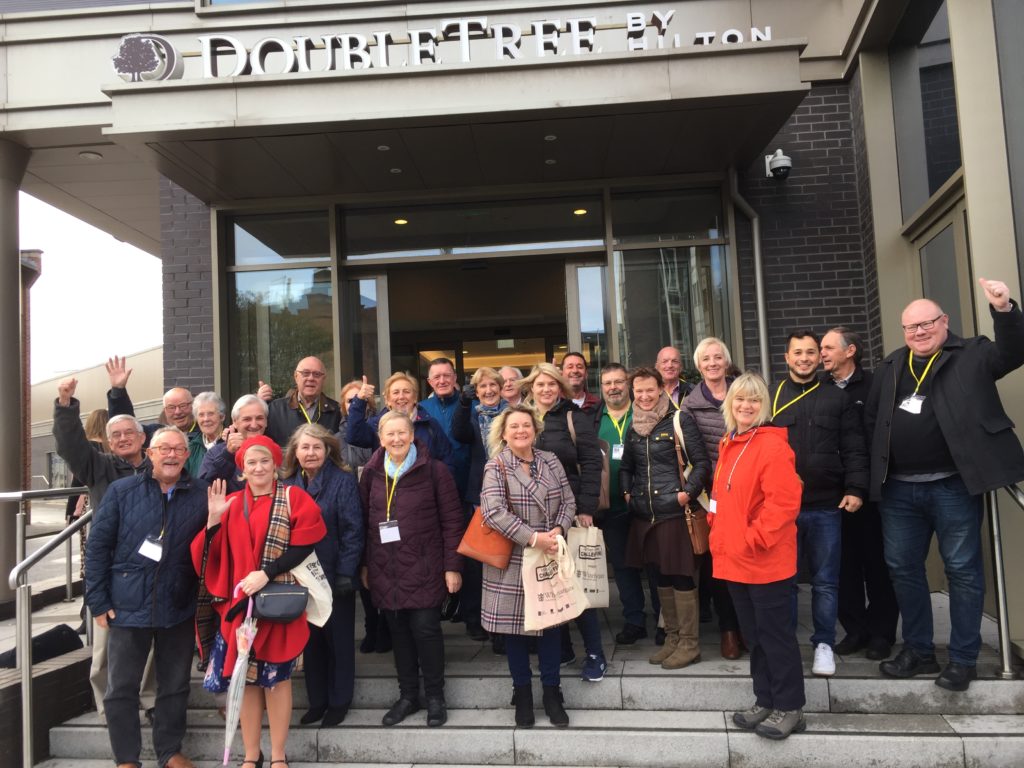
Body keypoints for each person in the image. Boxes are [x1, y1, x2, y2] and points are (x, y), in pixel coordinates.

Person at [865, 278, 1024, 692]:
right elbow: (873, 423)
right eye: (911, 327)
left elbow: (1014, 351)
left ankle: (963, 659)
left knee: (962, 571)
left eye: (927, 323)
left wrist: (1004, 309)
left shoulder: (973, 352)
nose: (919, 332)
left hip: (954, 485)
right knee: (903, 569)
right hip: (899, 490)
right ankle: (918, 651)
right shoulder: (893, 364)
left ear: (944, 322)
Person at [194, 435, 326, 768]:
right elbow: (206, 554)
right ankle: (252, 755)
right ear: (242, 469)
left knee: (278, 682)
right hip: (241, 607)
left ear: (276, 464)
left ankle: (279, 756)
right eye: (251, 462)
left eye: (264, 460)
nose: (258, 467)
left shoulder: (294, 497)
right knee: (247, 681)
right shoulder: (231, 503)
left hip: (278, 602)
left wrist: (266, 574)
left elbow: (305, 544)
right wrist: (212, 520)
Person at [85, 426, 209, 768]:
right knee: (121, 688)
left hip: (178, 604)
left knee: (174, 685)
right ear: (150, 453)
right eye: (163, 449)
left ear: (187, 456)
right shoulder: (121, 491)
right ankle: (126, 758)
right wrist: (98, 600)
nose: (171, 455)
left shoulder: (201, 495)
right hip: (126, 605)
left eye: (178, 449)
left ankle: (169, 752)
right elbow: (97, 548)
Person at [53, 378, 157, 719]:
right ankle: (106, 706)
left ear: (143, 438)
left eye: (130, 432)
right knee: (104, 644)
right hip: (111, 570)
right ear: (108, 442)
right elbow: (71, 447)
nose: (123, 438)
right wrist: (66, 407)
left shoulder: (159, 468)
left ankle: (151, 701)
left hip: (150, 569)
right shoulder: (99, 467)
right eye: (115, 435)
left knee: (150, 643)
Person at [710, 372, 806, 740]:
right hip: (735, 559)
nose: (746, 406)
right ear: (730, 404)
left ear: (763, 404)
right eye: (739, 400)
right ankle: (766, 699)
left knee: (775, 636)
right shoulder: (729, 443)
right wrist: (718, 527)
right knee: (754, 636)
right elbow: (723, 498)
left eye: (753, 400)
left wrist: (752, 539)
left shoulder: (771, 445)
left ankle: (790, 706)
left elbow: (783, 505)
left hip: (765, 560)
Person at [772, 329, 868, 677]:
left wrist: (856, 488)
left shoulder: (837, 398)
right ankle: (784, 646)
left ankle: (824, 644)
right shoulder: (773, 395)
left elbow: (855, 446)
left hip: (827, 504)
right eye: (797, 352)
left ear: (820, 357)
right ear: (786, 357)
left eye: (811, 352)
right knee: (784, 580)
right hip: (782, 508)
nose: (804, 358)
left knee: (826, 581)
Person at [359, 411, 464, 728]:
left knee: (426, 631)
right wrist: (364, 563)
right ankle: (408, 696)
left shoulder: (434, 471)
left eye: (402, 432)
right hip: (384, 567)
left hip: (424, 565)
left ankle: (435, 696)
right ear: (380, 438)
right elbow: (363, 521)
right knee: (399, 633)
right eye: (389, 434)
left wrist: (452, 567)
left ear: (412, 433)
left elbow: (452, 521)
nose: (396, 439)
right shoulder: (371, 473)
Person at [480, 404, 576, 728]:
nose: (521, 431)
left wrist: (559, 530)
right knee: (515, 632)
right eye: (514, 427)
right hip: (514, 558)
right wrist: (534, 538)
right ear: (503, 434)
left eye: (526, 425)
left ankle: (552, 691)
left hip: (549, 554)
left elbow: (568, 501)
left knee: (551, 625)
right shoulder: (496, 466)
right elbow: (493, 512)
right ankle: (522, 692)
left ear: (535, 429)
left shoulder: (550, 460)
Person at [620, 367, 711, 669]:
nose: (644, 396)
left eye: (650, 390)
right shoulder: (633, 427)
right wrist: (627, 493)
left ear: (661, 389)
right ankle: (672, 639)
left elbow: (702, 464)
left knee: (681, 577)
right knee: (659, 577)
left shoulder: (679, 420)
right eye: (639, 391)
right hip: (646, 516)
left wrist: (686, 494)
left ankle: (689, 644)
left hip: (675, 513)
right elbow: (627, 468)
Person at [522, 362, 607, 680]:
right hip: (534, 519)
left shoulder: (574, 417)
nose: (546, 390)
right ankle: (565, 650)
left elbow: (590, 462)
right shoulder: (523, 419)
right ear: (531, 387)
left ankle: (595, 654)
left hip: (570, 512)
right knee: (548, 584)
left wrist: (586, 508)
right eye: (540, 384)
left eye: (551, 384)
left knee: (576, 584)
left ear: (560, 387)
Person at [820, 327, 898, 661]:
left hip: (872, 491)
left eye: (827, 347)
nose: (820, 353)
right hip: (832, 493)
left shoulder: (875, 385)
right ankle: (855, 630)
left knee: (877, 564)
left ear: (850, 350)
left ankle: (881, 633)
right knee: (844, 565)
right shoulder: (819, 389)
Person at [281, 424, 363, 727]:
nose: (310, 452)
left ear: (328, 450)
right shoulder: (286, 482)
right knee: (310, 642)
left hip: (332, 576)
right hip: (297, 577)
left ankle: (339, 702)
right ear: (295, 452)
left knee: (338, 642)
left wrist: (345, 572)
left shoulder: (342, 481)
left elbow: (354, 531)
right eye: (305, 447)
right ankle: (317, 701)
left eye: (317, 447)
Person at [682, 337, 743, 659]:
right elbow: (695, 458)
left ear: (727, 361)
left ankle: (749, 626)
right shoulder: (690, 405)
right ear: (698, 365)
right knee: (719, 565)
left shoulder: (745, 393)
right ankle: (729, 629)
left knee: (750, 558)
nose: (713, 363)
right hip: (714, 496)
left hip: (749, 492)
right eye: (706, 359)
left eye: (718, 357)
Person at [592, 363, 659, 644]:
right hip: (613, 506)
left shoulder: (646, 413)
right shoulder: (594, 419)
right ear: (601, 386)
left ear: (628, 385)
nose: (613, 387)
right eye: (607, 383)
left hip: (648, 504)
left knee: (656, 564)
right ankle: (634, 620)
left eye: (618, 381)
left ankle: (665, 620)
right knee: (622, 565)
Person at [451, 366, 509, 642]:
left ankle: (504, 622)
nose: (488, 391)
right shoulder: (472, 415)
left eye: (492, 385)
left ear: (500, 387)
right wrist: (463, 403)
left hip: (511, 495)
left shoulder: (512, 414)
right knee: (478, 560)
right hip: (480, 496)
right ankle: (475, 619)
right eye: (482, 387)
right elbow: (459, 433)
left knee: (505, 561)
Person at [346, 372, 453, 475]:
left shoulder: (430, 425)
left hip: (424, 491)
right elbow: (354, 436)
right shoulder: (376, 425)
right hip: (388, 490)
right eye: (396, 392)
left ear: (415, 398)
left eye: (406, 391)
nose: (401, 397)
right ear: (387, 400)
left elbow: (447, 460)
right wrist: (360, 399)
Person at [105, 355, 200, 447]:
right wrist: (118, 390)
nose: (178, 412)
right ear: (165, 410)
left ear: (192, 406)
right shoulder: (156, 434)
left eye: (183, 405)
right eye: (171, 407)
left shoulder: (206, 432)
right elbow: (124, 423)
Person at [258, 356, 342, 447]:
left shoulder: (337, 411)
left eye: (317, 374)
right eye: (305, 373)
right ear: (296, 377)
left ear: (324, 379)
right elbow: (256, 436)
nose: (311, 378)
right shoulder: (275, 409)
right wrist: (258, 403)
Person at [419, 357, 471, 499]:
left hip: (467, 484)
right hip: (432, 484)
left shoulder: (471, 406)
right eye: (436, 377)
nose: (442, 381)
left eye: (446, 375)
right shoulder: (421, 409)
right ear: (430, 382)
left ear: (454, 378)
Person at [199, 394, 269, 492]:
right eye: (247, 419)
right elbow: (204, 489)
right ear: (235, 422)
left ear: (266, 421)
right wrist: (228, 455)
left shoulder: (275, 451)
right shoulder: (216, 453)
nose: (254, 425)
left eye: (259, 418)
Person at [337, 379, 375, 473]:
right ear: (343, 406)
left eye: (360, 399)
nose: (355, 403)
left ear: (369, 404)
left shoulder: (379, 431)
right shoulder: (335, 441)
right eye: (350, 401)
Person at [187, 392, 226, 478]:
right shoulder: (191, 447)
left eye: (211, 413)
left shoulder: (231, 443)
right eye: (201, 415)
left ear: (222, 417)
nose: (206, 419)